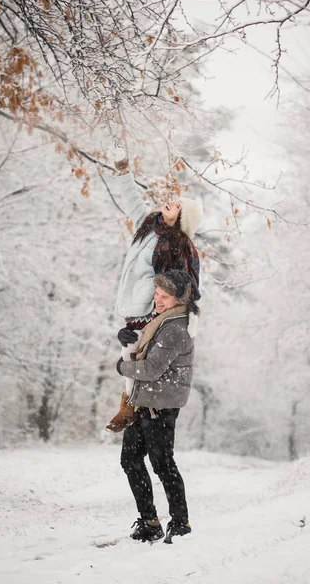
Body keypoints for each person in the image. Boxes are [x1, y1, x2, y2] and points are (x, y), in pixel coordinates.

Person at [105, 158, 203, 432]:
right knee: (129, 353)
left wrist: (154, 317)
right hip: (131, 307)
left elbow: (177, 289)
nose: (174, 203)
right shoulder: (149, 225)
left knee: (136, 357)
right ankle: (128, 405)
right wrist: (123, 171)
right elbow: (132, 201)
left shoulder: (176, 246)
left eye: (180, 207)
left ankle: (129, 407)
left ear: (181, 219)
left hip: (150, 311)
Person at [116, 269, 199, 543]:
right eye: (157, 294)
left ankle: (181, 522)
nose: (158, 300)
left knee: (163, 464)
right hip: (146, 401)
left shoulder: (175, 328)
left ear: (179, 299)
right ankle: (150, 521)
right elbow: (144, 342)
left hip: (160, 406)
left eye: (165, 296)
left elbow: (151, 368)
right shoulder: (162, 320)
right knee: (130, 460)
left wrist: (122, 367)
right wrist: (126, 337)